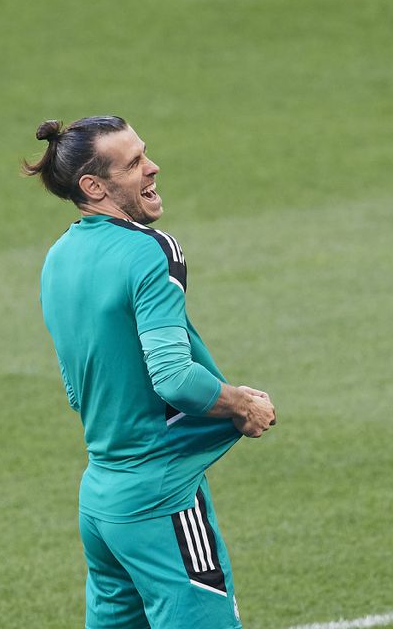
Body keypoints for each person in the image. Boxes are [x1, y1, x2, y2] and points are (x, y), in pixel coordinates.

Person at [24, 115, 276, 629]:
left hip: (101, 503)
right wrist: (240, 404)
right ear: (93, 186)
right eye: (135, 163)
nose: (153, 167)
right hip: (161, 499)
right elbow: (175, 378)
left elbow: (78, 392)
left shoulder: (59, 257)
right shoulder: (152, 251)